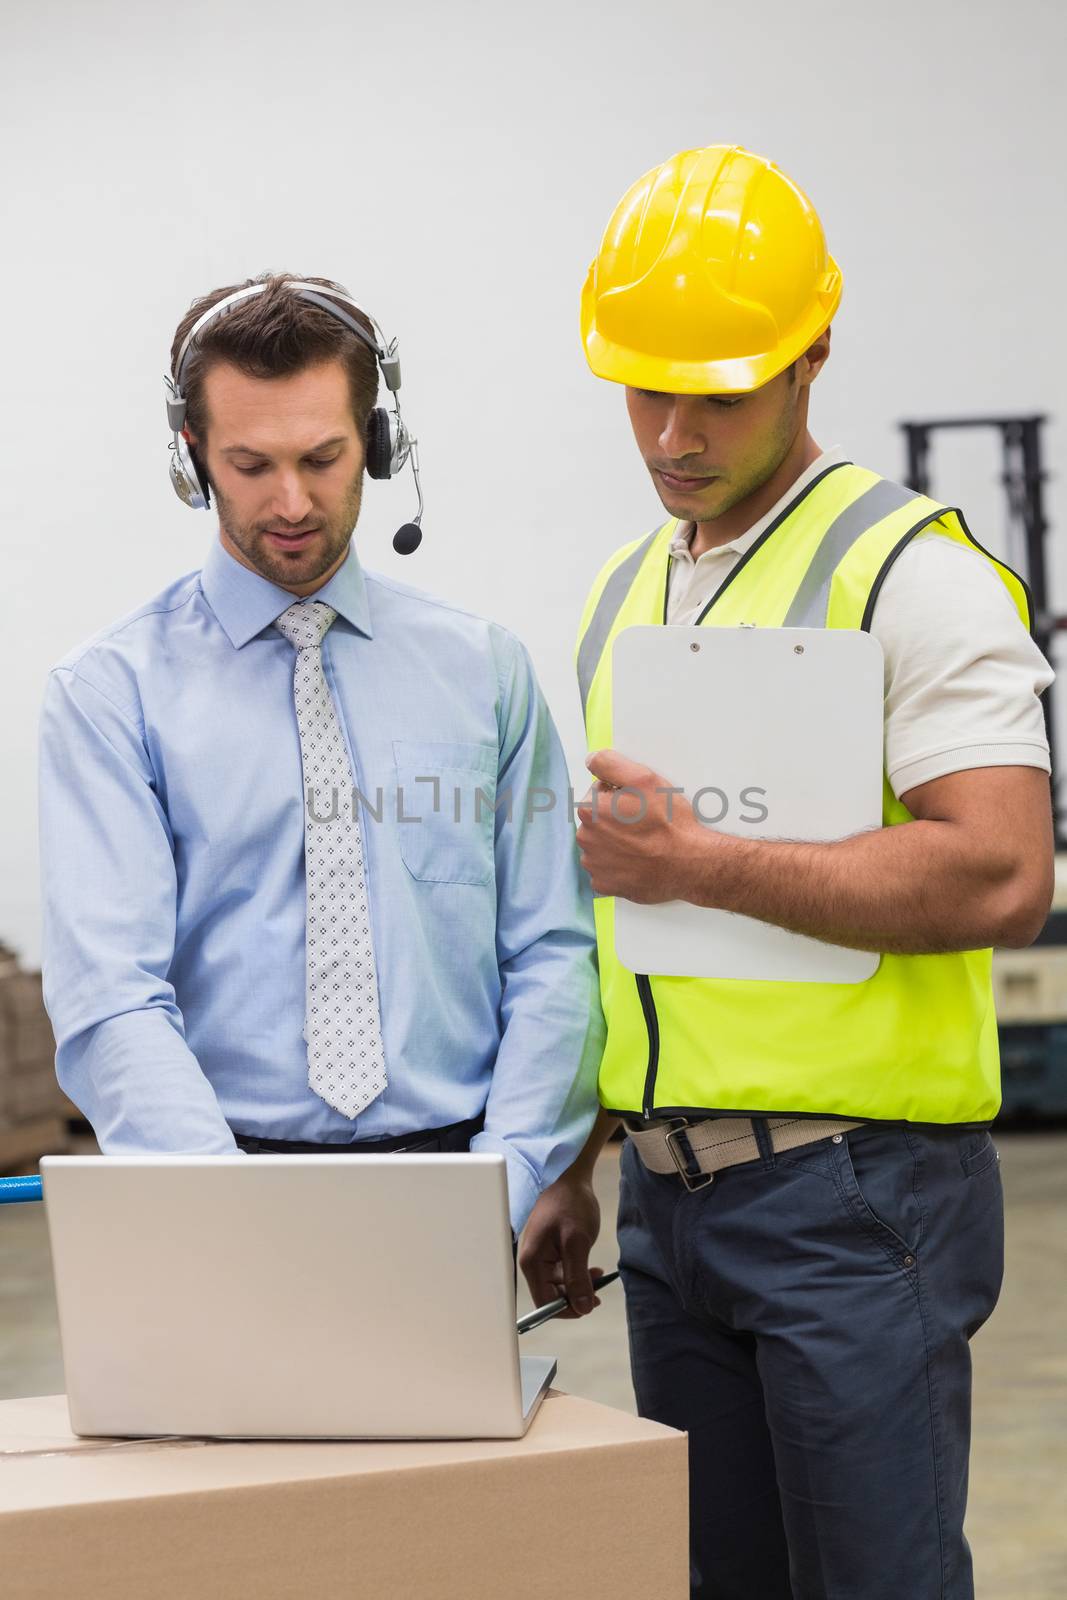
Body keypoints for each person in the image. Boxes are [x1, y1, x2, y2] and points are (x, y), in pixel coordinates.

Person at [520, 147, 1055, 1598]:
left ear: (810, 352)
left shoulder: (913, 572)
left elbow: (1002, 874)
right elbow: (623, 914)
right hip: (671, 1201)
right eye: (645, 388)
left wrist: (704, 864)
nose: (673, 432)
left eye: (718, 391)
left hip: (851, 1202)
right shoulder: (629, 592)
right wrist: (580, 1152)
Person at [38, 273, 603, 1240]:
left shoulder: (485, 670)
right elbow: (111, 992)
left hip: (460, 1176)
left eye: (323, 457)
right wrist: (232, 1215)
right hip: (217, 1183)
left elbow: (552, 950)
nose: (291, 502)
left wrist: (508, 1179)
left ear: (378, 446)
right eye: (250, 464)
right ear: (193, 459)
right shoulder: (109, 692)